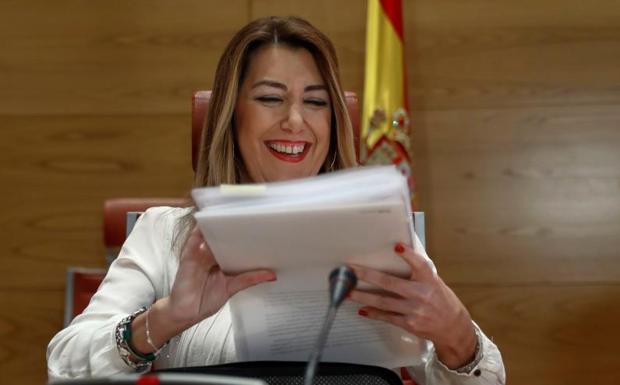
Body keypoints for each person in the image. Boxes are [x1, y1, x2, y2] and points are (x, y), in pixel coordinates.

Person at [47, 16, 505, 385]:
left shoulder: (380, 232)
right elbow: (64, 367)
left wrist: (456, 334)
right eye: (271, 98)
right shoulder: (166, 232)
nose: (294, 121)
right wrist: (167, 318)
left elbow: (486, 381)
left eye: (316, 102)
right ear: (231, 114)